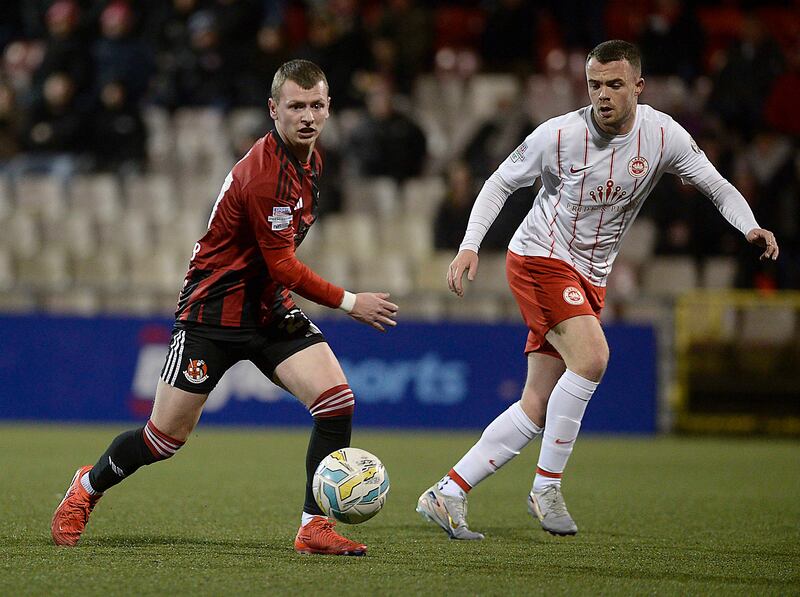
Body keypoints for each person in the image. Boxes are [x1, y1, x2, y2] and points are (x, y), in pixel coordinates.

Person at [416, 40, 779, 540]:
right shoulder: (559, 134)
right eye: (594, 85)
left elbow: (716, 185)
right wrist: (469, 245)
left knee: (537, 404)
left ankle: (448, 492)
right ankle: (546, 488)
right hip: (540, 257)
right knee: (591, 358)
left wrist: (750, 227)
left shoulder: (663, 134)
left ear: (638, 86)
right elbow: (500, 182)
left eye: (613, 84)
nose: (602, 95)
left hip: (591, 274)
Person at [51, 59, 399, 556]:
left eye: (316, 105)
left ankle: (313, 527)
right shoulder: (264, 175)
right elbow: (283, 265)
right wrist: (349, 302)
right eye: (296, 106)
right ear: (273, 109)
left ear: (328, 108)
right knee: (164, 439)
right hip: (211, 314)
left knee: (336, 402)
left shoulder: (313, 161)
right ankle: (86, 487)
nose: (307, 116)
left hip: (268, 310)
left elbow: (275, 268)